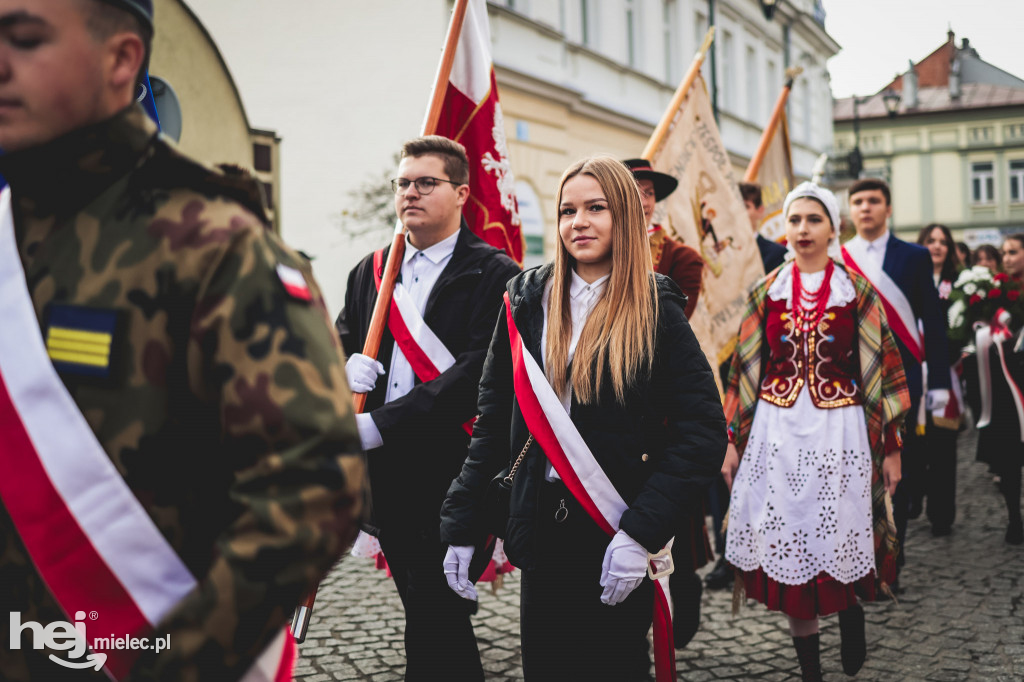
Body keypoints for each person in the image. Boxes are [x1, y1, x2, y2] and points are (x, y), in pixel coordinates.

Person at [0, 1, 367, 680]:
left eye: (23, 39)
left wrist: (173, 665)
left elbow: (313, 490)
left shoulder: (215, 244)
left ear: (121, 60)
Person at [440, 156, 725, 681]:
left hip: (614, 524)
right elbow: (493, 421)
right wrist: (463, 522)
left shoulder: (655, 307)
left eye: (597, 208)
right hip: (540, 525)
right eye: (568, 210)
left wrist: (640, 532)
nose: (579, 222)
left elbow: (704, 433)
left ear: (625, 216)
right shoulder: (525, 300)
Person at [335, 135, 519, 681]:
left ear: (462, 192)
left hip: (453, 468)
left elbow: (475, 375)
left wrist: (378, 425)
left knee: (436, 606)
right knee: (423, 605)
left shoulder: (495, 273)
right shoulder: (371, 270)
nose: (410, 193)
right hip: (386, 472)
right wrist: (342, 365)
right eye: (403, 183)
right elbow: (344, 335)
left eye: (426, 182)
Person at [722, 182, 910, 682]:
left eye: (813, 220)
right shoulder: (766, 292)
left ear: (833, 228)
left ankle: (850, 610)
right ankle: (811, 673)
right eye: (794, 220)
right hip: (777, 432)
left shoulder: (857, 292)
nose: (802, 230)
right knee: (791, 540)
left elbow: (883, 370)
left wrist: (890, 448)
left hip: (839, 432)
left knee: (841, 532)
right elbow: (744, 372)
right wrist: (730, 441)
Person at [624, 157, 710, 647]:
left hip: (662, 404)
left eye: (650, 191)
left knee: (674, 515)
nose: (643, 197)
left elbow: (667, 328)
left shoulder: (681, 259)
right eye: (633, 188)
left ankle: (686, 584)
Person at [844, 178, 951, 557]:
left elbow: (932, 322)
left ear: (888, 208)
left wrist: (939, 382)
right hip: (852, 380)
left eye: (874, 200)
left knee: (899, 465)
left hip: (903, 379)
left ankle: (895, 551)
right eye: (858, 201)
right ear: (851, 208)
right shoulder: (840, 256)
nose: (866, 207)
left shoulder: (914, 255)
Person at [702, 181, 791, 592]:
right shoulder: (705, 251)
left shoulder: (774, 255)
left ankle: (771, 543)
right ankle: (727, 554)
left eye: (746, 205)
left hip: (765, 378)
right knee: (723, 463)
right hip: (718, 375)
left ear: (757, 211)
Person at [912, 223, 963, 531]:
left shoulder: (958, 284)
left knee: (943, 446)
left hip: (946, 376)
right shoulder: (911, 279)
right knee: (915, 443)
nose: (937, 246)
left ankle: (942, 513)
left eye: (943, 241)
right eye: (931, 241)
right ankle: (913, 498)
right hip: (914, 374)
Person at [623, 158, 704, 318]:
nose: (644, 202)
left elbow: (673, 323)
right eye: (635, 193)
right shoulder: (598, 246)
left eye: (650, 193)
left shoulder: (684, 258)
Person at [740, 181, 788, 273]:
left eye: (746, 206)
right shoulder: (719, 250)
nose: (739, 211)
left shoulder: (776, 254)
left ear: (760, 211)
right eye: (736, 205)